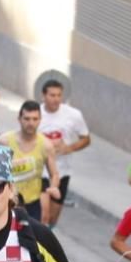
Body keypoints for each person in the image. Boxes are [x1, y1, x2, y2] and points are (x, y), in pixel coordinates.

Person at [0, 100, 60, 223]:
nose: (31, 123)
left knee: (31, 239)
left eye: (35, 119)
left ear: (40, 120)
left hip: (32, 202)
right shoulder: (4, 142)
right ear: (19, 119)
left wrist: (53, 187)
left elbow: (55, 174)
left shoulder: (46, 145)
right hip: (8, 201)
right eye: (27, 119)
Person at [38, 79, 89, 227]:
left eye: (59, 95)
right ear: (43, 96)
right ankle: (39, 245)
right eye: (52, 95)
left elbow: (86, 138)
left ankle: (47, 240)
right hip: (41, 171)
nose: (56, 99)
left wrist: (69, 148)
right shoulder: (36, 113)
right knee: (44, 215)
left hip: (62, 170)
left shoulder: (73, 115)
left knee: (53, 217)